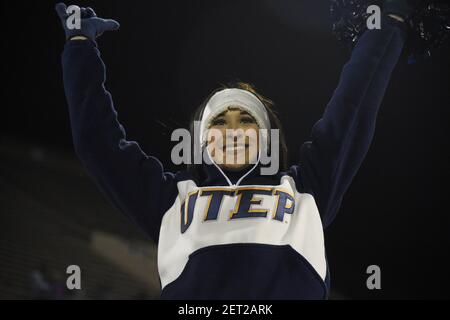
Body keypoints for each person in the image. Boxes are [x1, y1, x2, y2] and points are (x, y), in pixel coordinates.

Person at [56, 1, 410, 299]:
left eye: (247, 121)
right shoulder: (171, 200)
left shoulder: (305, 190)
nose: (233, 131)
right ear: (203, 141)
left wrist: (386, 26)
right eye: (219, 123)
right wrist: (79, 44)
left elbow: (350, 111)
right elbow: (97, 142)